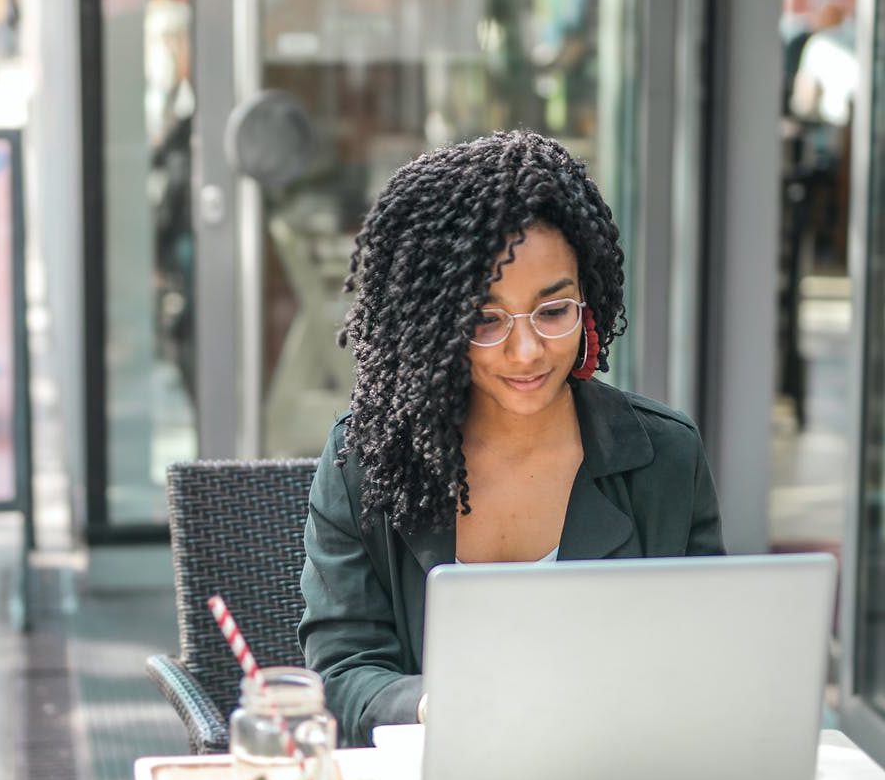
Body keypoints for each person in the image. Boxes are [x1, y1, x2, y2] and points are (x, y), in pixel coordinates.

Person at [298, 130, 725, 746]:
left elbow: (706, 662)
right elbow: (341, 674)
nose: (526, 352)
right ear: (434, 325)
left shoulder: (665, 458)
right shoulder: (365, 462)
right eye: (485, 319)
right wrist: (429, 704)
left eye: (554, 312)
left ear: (590, 303)